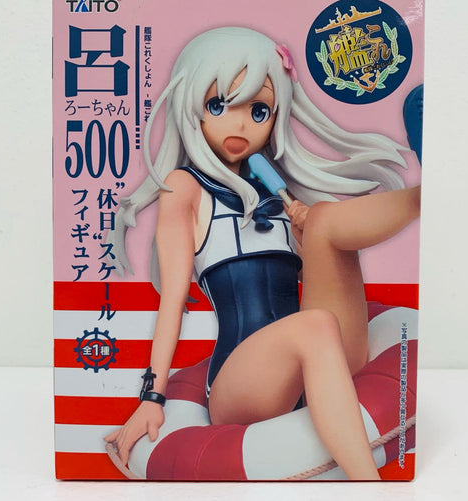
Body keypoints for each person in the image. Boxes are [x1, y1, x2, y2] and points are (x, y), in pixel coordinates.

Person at [104, 27, 420, 480]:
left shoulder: (276, 188)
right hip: (244, 386)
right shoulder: (184, 189)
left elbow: (316, 280)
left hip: (322, 360)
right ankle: (369, 487)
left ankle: (428, 193)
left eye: (258, 111)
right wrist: (151, 398)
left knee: (325, 220)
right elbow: (171, 300)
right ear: (192, 107)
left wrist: (305, 234)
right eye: (219, 105)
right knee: (314, 324)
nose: (240, 125)